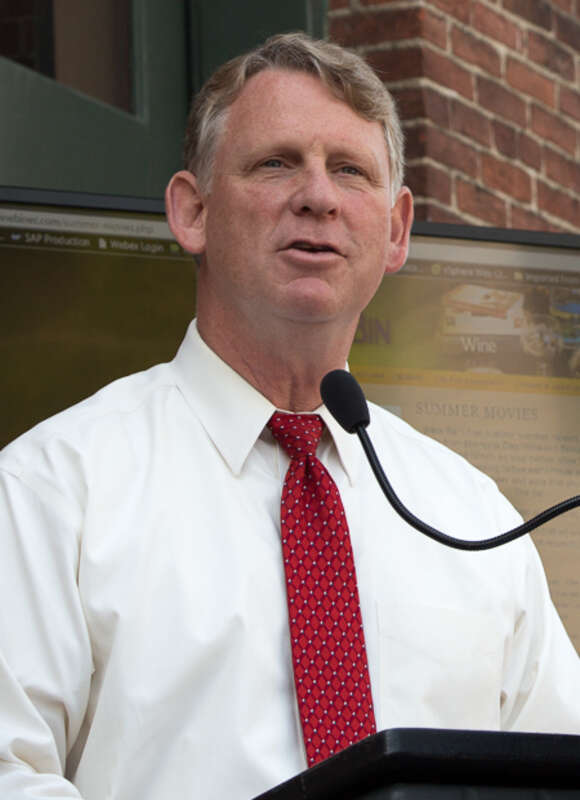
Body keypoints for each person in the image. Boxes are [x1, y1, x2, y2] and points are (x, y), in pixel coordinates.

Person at [1, 32, 579, 800]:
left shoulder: (474, 519)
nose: (318, 195)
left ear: (398, 229)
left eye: (350, 170)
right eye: (276, 163)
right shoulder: (51, 491)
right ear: (192, 211)